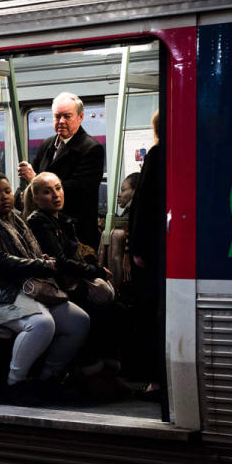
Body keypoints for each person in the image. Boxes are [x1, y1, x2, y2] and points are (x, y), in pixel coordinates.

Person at [0, 171, 89, 404]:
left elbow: (29, 254)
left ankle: (48, 376)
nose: (5, 197)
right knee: (41, 324)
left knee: (79, 321)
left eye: (7, 191)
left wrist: (40, 261)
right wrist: (41, 265)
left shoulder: (16, 219)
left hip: (24, 288)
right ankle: (14, 382)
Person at [24, 172, 129, 399]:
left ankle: (105, 371)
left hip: (71, 282)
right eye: (47, 191)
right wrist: (95, 271)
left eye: (58, 188)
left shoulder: (62, 220)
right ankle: (88, 373)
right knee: (98, 314)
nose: (55, 195)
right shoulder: (39, 222)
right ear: (35, 198)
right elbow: (59, 262)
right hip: (57, 287)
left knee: (117, 310)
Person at [17, 92, 105, 248]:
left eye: (67, 116)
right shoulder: (46, 145)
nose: (61, 121)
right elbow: (31, 180)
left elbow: (79, 190)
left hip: (75, 231)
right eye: (57, 116)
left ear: (81, 117)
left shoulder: (91, 148)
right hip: (44, 229)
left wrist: (35, 180)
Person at [128, 110, 165, 399]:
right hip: (163, 248)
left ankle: (156, 379)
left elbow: (144, 204)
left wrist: (137, 247)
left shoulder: (156, 154)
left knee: (153, 313)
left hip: (153, 251)